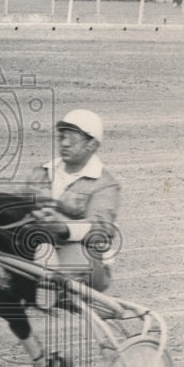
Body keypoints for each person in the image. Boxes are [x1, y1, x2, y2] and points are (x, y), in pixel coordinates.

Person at [24, 110, 121, 293]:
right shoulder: (41, 172)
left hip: (86, 257)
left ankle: (49, 286)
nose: (64, 143)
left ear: (92, 144)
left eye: (72, 139)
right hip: (38, 245)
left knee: (72, 262)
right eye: (62, 137)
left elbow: (100, 227)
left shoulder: (105, 184)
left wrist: (63, 226)